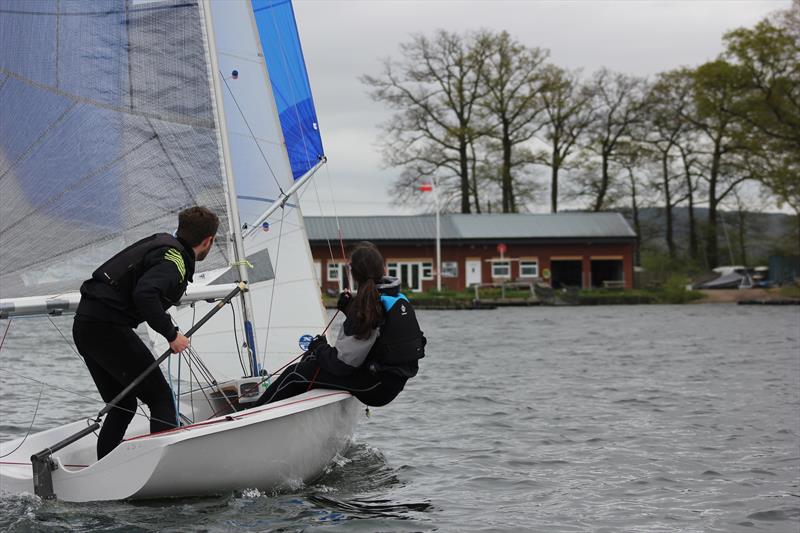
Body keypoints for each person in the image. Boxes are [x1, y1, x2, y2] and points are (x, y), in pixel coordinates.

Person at [72, 206, 219, 460]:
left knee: (123, 405)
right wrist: (172, 335)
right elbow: (145, 294)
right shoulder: (175, 261)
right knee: (160, 397)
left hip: (85, 324)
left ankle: (105, 470)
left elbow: (143, 292)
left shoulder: (161, 244)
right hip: (106, 327)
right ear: (208, 241)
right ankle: (164, 468)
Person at [254, 241, 426, 407]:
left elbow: (341, 364)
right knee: (311, 362)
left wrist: (319, 347)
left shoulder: (370, 308)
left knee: (295, 373)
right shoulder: (395, 297)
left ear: (353, 273)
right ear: (383, 268)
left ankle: (253, 414)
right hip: (390, 384)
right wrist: (349, 308)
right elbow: (377, 332)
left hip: (374, 388)